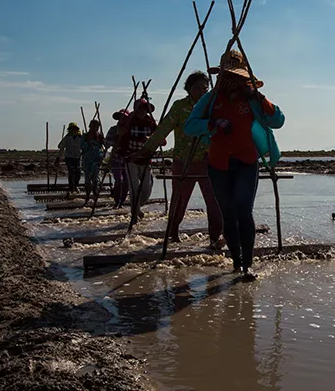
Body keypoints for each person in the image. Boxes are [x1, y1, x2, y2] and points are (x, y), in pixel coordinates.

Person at [184, 50, 285, 281]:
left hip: (246, 162)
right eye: (228, 77)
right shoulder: (211, 99)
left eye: (237, 77)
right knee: (228, 213)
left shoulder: (252, 99)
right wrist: (213, 123)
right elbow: (190, 126)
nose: (233, 83)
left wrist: (258, 97)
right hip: (218, 163)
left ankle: (248, 265)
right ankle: (236, 264)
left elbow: (278, 121)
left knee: (243, 209)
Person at [133, 71, 223, 247]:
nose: (201, 92)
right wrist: (146, 150)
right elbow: (163, 129)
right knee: (179, 200)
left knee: (214, 201)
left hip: (209, 160)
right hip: (183, 160)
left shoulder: (213, 106)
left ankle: (214, 238)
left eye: (205, 88)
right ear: (188, 89)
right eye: (197, 88)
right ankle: (172, 234)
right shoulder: (180, 107)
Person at [116, 98, 162, 225]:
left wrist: (153, 138)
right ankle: (135, 214)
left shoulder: (150, 122)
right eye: (140, 109)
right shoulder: (129, 121)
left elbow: (161, 139)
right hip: (130, 159)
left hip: (145, 159)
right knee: (134, 188)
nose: (143, 112)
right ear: (136, 110)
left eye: (145, 109)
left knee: (146, 189)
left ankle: (137, 207)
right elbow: (120, 133)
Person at [105, 109, 129, 208]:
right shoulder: (113, 129)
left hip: (128, 159)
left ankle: (121, 202)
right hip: (115, 158)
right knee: (119, 181)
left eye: (124, 118)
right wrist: (118, 137)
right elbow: (107, 143)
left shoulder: (130, 129)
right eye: (120, 117)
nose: (122, 120)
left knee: (127, 183)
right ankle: (117, 202)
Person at [80, 119, 106, 203]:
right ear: (89, 126)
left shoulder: (100, 136)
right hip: (87, 160)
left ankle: (95, 195)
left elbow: (105, 146)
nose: (95, 128)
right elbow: (81, 147)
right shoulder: (85, 136)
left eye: (97, 127)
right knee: (87, 179)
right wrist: (88, 142)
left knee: (95, 178)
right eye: (93, 126)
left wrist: (103, 141)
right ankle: (87, 196)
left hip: (96, 159)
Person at [57, 122, 83, 194]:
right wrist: (58, 158)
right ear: (69, 130)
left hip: (77, 157)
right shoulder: (67, 138)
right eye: (71, 129)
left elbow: (85, 147)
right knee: (71, 172)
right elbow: (60, 147)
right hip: (69, 157)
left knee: (78, 172)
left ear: (76, 130)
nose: (73, 131)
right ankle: (71, 188)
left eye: (74, 129)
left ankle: (76, 185)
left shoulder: (80, 137)